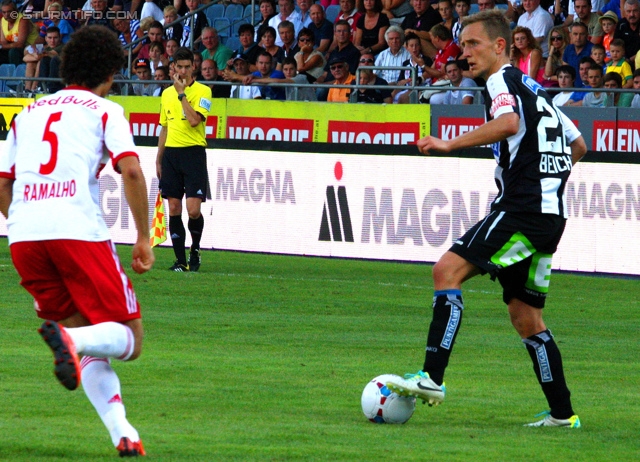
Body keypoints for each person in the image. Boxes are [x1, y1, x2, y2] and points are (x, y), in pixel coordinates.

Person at [385, 9, 586, 429]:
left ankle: (432, 378)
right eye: (462, 46)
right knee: (526, 317)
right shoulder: (536, 90)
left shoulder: (501, 81)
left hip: (522, 209)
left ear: (501, 46)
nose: (465, 55)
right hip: (550, 215)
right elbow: (579, 143)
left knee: (447, 270)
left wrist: (448, 144)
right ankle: (563, 415)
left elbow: (508, 122)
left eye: (474, 45)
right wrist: (548, 175)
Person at [0, 25, 154, 457]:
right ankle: (74, 342)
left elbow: (2, 185)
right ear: (110, 72)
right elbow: (132, 171)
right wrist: (144, 237)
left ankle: (123, 432)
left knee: (89, 337)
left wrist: (26, 221)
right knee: (129, 339)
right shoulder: (105, 110)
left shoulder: (27, 112)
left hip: (25, 236)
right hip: (76, 231)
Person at [156, 47, 211, 272]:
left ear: (193, 67)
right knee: (174, 207)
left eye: (188, 67)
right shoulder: (166, 94)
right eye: (180, 67)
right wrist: (159, 158)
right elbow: (165, 127)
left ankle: (195, 249)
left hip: (193, 153)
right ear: (174, 69)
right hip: (171, 154)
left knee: (193, 210)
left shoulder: (203, 91)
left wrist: (182, 95)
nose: (184, 71)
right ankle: (180, 261)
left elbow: (194, 121)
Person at [246, 56, 318, 100]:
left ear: (296, 69)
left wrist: (254, 80)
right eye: (285, 69)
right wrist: (253, 76)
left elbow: (276, 81)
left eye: (291, 69)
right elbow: (270, 80)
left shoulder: (301, 78)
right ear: (282, 70)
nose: (288, 72)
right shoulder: (286, 80)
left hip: (311, 110)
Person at [23, 26, 63, 93]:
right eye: (50, 38)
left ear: (59, 38)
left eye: (55, 38)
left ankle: (35, 89)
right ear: (46, 38)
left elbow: (51, 54)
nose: (52, 41)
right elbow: (25, 58)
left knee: (40, 62)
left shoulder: (62, 47)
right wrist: (35, 55)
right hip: (46, 70)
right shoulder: (45, 48)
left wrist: (36, 55)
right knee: (30, 63)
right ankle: (27, 91)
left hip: (56, 73)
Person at [0, 0, 40, 65]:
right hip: (14, 47)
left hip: (31, 48)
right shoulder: (3, 21)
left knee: (14, 51)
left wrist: (2, 46)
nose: (7, 15)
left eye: (9, 11)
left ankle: (16, 73)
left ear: (15, 11)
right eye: (4, 12)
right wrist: (2, 46)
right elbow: (3, 41)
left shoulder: (23, 20)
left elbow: (20, 44)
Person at [562, 21, 593, 87]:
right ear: (570, 35)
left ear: (587, 35)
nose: (578, 37)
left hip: (588, 89)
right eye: (575, 34)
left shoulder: (593, 50)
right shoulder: (568, 49)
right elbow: (565, 71)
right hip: (571, 89)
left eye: (581, 34)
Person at [614, 0, 640, 65]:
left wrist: (631, 59)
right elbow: (616, 45)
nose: (632, 14)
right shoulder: (621, 25)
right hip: (624, 62)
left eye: (635, 11)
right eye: (629, 11)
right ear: (625, 12)